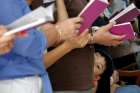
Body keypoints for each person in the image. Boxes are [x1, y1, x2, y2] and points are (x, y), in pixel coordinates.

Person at [0, 0, 84, 93]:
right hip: (17, 81)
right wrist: (58, 32)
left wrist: (58, 32)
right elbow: (28, 45)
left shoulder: (24, 9)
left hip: (34, 79)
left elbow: (63, 32)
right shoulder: (9, 4)